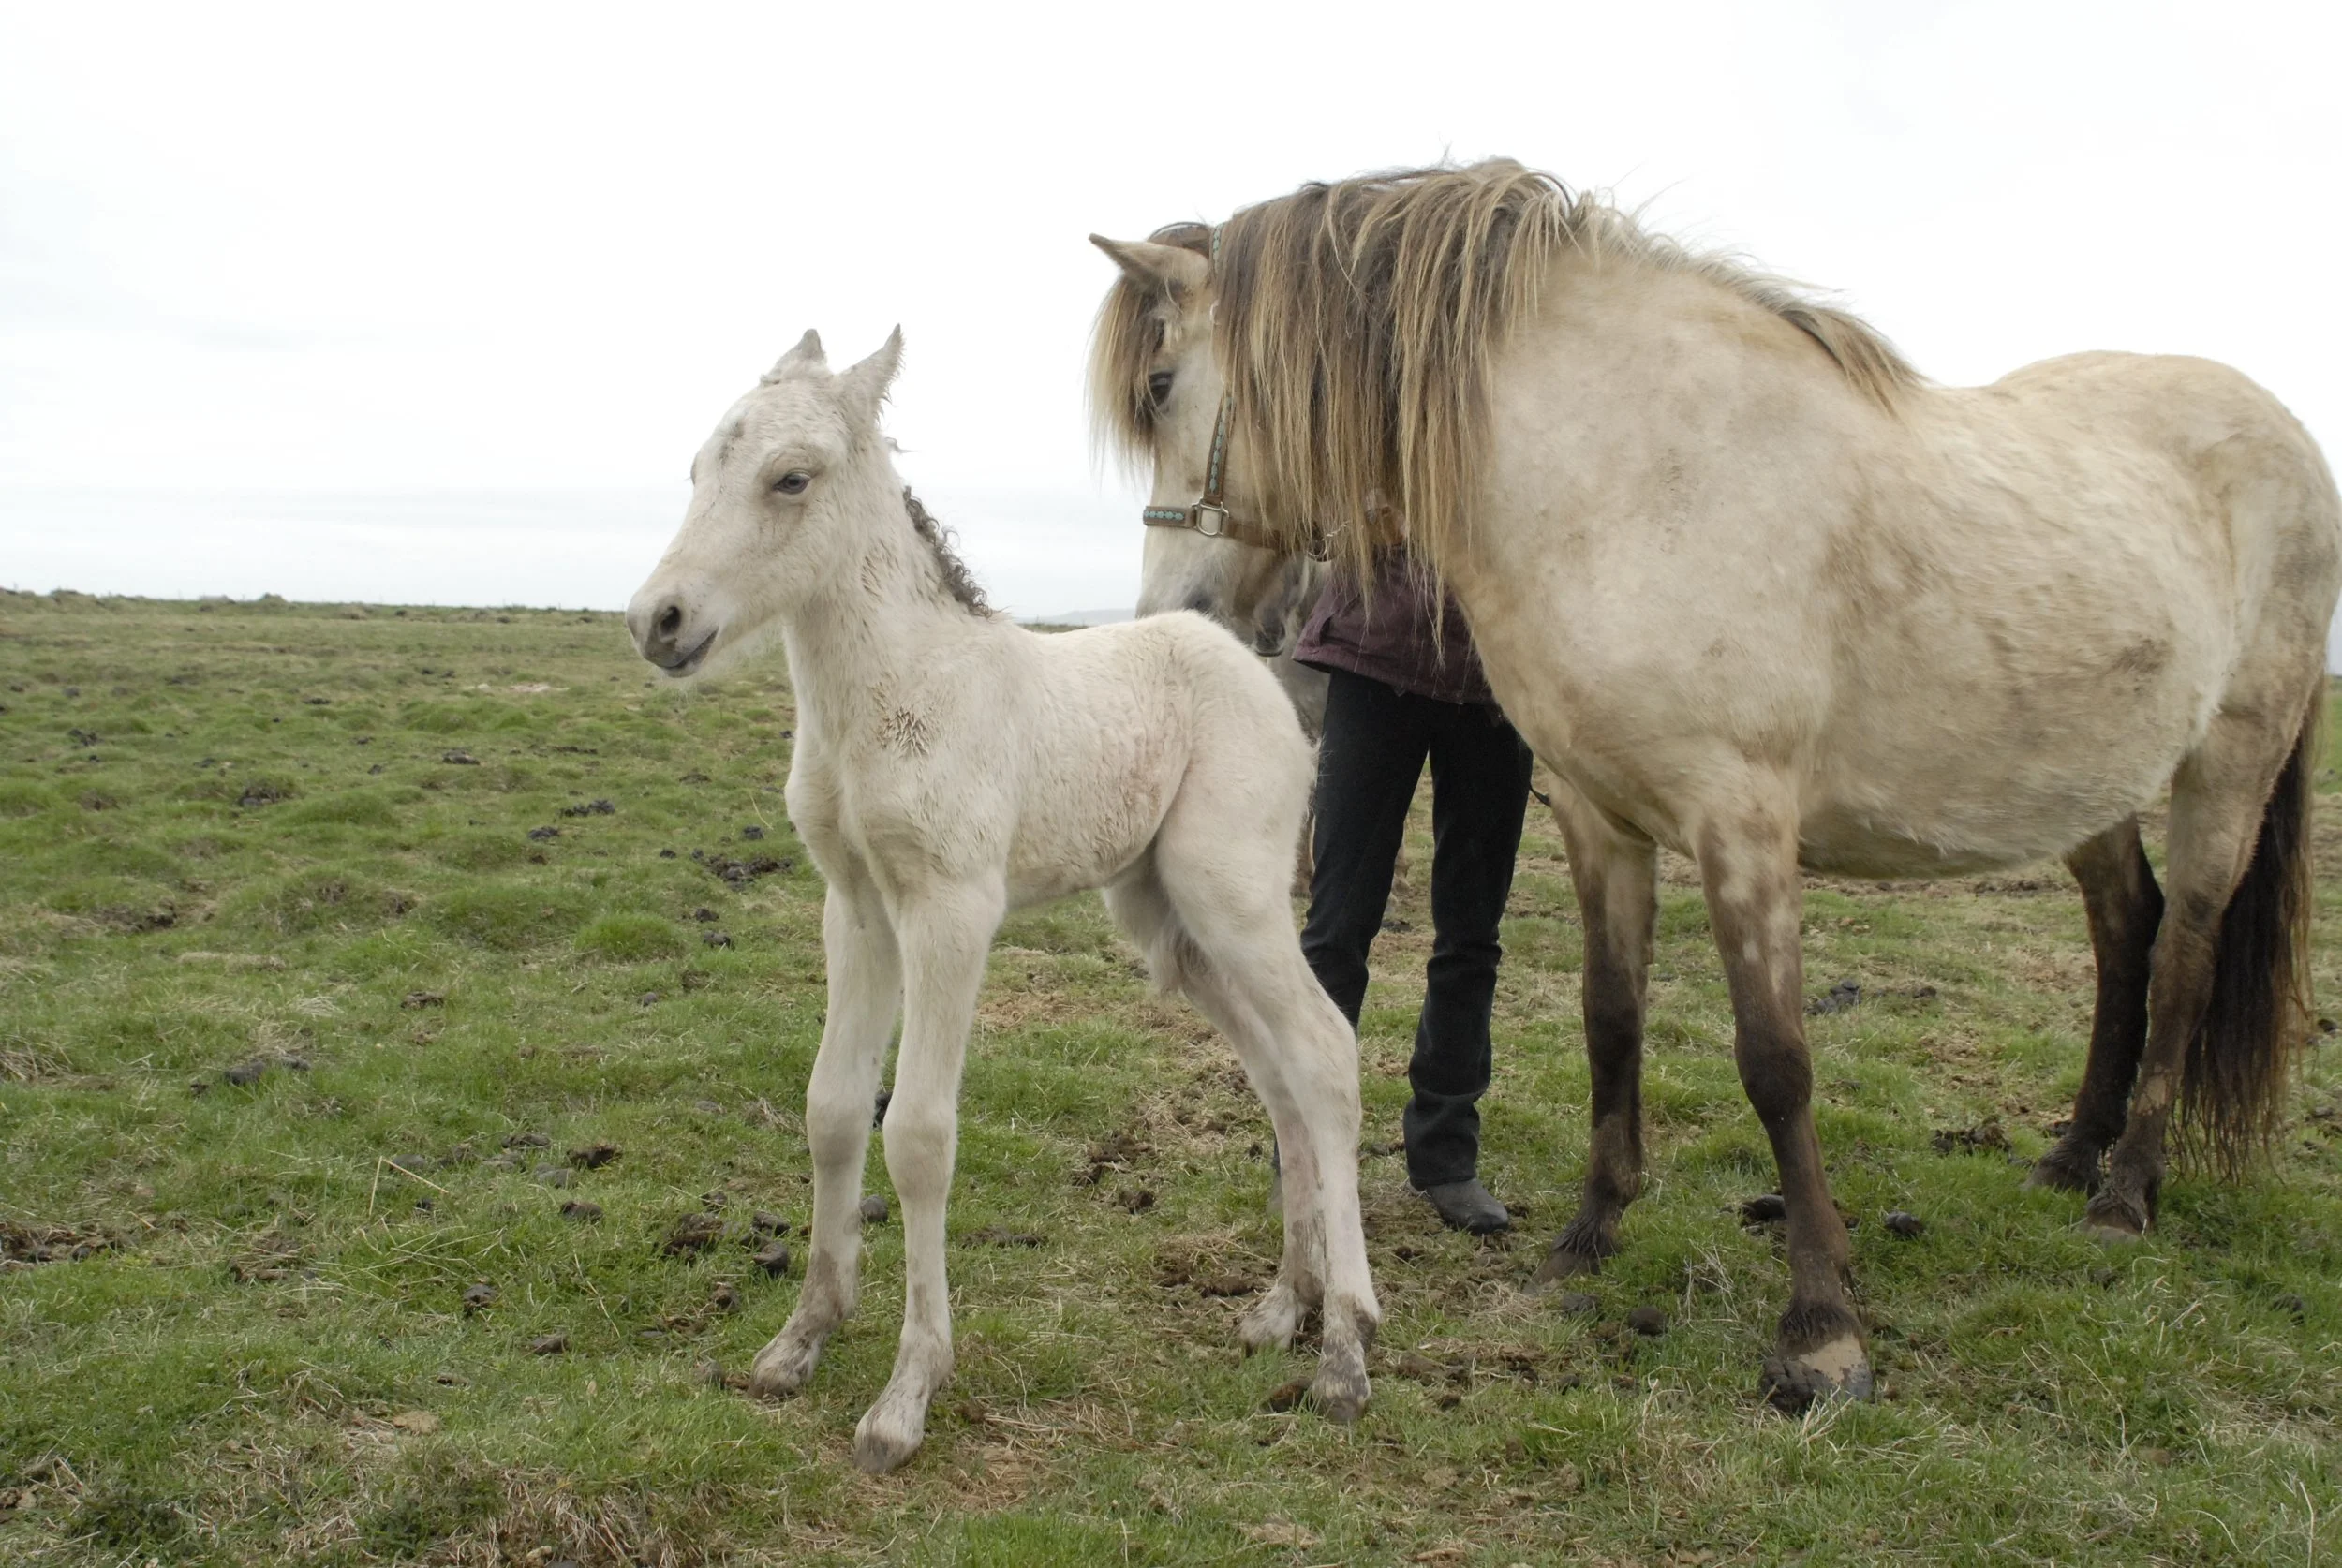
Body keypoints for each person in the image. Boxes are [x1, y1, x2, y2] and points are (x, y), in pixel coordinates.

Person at [1294, 555, 1534, 1234]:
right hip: (1375, 655)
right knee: (1337, 926)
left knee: (1472, 932)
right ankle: (1310, 1150)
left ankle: (1448, 1158)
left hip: (1498, 673)